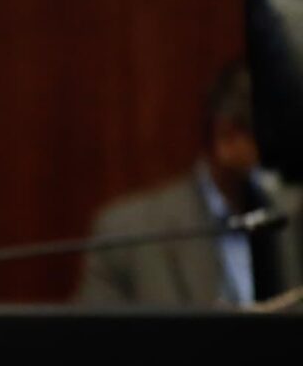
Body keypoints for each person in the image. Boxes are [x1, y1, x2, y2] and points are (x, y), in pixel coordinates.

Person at [75, 63, 302, 306]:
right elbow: (95, 329)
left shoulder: (294, 216)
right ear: (227, 137)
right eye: (277, 139)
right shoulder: (126, 233)